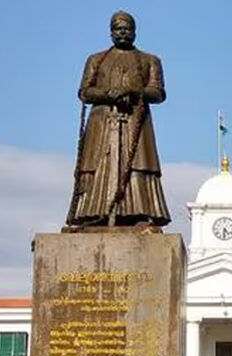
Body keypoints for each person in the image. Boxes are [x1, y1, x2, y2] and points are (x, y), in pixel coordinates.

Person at [66, 10, 171, 227]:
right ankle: (93, 212)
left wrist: (133, 92)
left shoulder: (150, 60)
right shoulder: (96, 60)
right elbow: (84, 92)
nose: (122, 32)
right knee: (97, 164)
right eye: (118, 29)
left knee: (138, 165)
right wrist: (107, 95)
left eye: (127, 29)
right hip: (102, 122)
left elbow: (158, 93)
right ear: (111, 32)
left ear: (134, 32)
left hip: (135, 121)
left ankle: (140, 212)